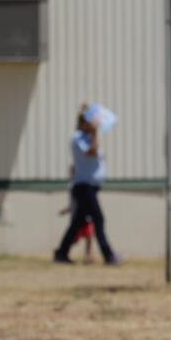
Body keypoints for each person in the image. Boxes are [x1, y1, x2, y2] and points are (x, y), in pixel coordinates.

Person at [54, 106, 119, 266]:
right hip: (84, 186)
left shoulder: (89, 138)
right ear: (84, 123)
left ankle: (61, 253)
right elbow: (91, 153)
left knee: (77, 223)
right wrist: (95, 133)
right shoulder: (78, 138)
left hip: (91, 186)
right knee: (98, 218)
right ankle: (108, 255)